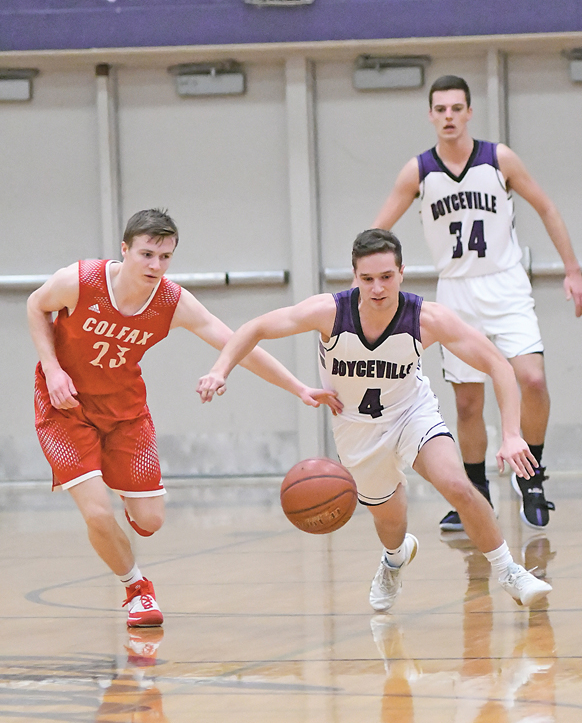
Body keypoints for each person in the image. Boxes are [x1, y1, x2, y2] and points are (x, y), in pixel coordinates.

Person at [197, 229, 552, 610]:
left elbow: (498, 364)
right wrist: (220, 370)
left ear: (402, 272)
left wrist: (512, 433)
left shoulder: (427, 318)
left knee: (458, 485)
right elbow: (255, 328)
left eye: (386, 277)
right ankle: (394, 558)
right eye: (367, 279)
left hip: (412, 414)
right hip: (357, 430)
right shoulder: (329, 312)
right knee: (391, 523)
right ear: (355, 277)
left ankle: (509, 570)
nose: (377, 287)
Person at [27, 209, 341, 628]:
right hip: (65, 408)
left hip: (125, 413)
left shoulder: (172, 302)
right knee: (97, 514)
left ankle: (122, 511)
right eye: (147, 254)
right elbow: (35, 305)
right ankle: (137, 589)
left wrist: (298, 387)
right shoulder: (81, 281)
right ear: (125, 250)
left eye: (165, 257)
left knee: (151, 520)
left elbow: (235, 342)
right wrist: (51, 367)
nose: (156, 266)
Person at [372, 75, 582, 532]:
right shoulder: (419, 171)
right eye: (440, 108)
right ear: (430, 115)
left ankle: (533, 477)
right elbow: (378, 234)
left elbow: (546, 207)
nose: (448, 116)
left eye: (456, 108)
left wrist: (573, 269)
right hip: (457, 289)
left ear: (469, 113)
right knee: (468, 403)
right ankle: (476, 492)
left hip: (506, 285)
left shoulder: (498, 159)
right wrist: (367, 287)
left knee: (533, 379)